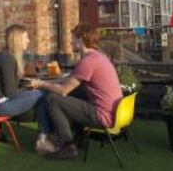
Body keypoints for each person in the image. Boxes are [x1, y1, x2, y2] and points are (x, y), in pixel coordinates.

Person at [29, 23, 123, 160]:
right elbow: (69, 80)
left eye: (72, 38)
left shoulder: (88, 61)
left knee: (53, 99)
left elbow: (63, 90)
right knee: (76, 93)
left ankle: (69, 146)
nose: (70, 41)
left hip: (102, 115)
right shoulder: (97, 57)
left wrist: (41, 83)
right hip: (111, 111)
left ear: (80, 40)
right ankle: (77, 137)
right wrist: (48, 83)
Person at [0, 24, 56, 153]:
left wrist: (28, 88)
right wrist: (31, 88)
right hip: (0, 106)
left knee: (40, 96)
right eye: (26, 38)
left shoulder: (5, 55)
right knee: (42, 93)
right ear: (17, 40)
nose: (28, 40)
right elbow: (11, 93)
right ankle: (43, 139)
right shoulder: (7, 59)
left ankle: (44, 138)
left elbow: (10, 87)